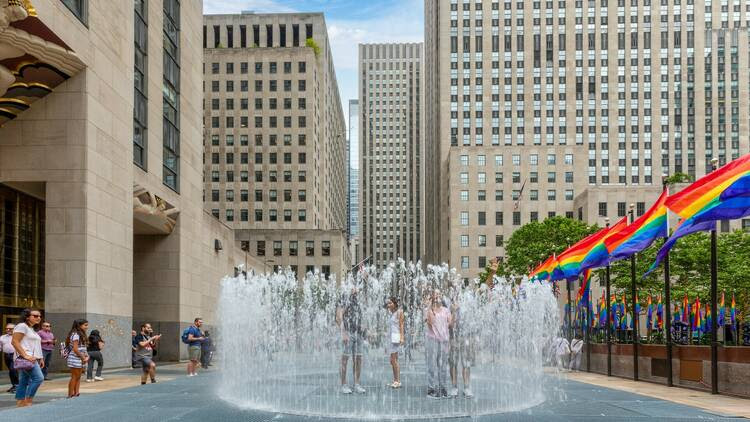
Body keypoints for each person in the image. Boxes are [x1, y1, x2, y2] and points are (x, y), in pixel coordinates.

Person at [11, 309, 44, 407]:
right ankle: (28, 400)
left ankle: (20, 402)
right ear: (27, 317)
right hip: (25, 358)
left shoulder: (31, 329)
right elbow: (14, 342)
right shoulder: (22, 326)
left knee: (24, 381)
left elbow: (35, 345)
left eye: (39, 316)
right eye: (35, 316)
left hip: (32, 358)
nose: (38, 318)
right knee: (39, 378)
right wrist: (25, 355)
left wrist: (41, 358)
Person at [337, 285, 366, 394]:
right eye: (354, 287)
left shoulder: (358, 301)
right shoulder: (344, 299)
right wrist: (343, 333)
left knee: (358, 359)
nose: (356, 289)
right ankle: (343, 384)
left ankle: (356, 384)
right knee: (345, 359)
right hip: (348, 333)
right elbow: (338, 317)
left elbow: (360, 316)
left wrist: (364, 326)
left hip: (359, 333)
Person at [425, 289, 451, 398]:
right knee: (432, 364)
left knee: (443, 365)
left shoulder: (446, 310)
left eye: (439, 294)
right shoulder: (429, 310)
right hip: (433, 339)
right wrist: (430, 308)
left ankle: (443, 388)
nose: (438, 296)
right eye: (435, 294)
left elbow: (450, 323)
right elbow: (430, 322)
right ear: (432, 297)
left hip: (444, 340)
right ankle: (431, 388)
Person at [448, 299, 475, 398]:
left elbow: (473, 324)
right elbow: (450, 324)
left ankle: (467, 387)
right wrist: (454, 311)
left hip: (466, 338)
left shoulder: (468, 306)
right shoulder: (450, 307)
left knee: (466, 363)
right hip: (453, 338)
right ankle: (454, 387)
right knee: (453, 363)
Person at [65, 319, 89, 398]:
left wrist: (86, 356)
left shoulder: (80, 334)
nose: (87, 327)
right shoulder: (76, 335)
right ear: (79, 325)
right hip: (74, 358)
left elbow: (82, 348)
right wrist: (83, 358)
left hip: (80, 358)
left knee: (78, 376)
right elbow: (75, 349)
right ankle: (70, 394)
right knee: (74, 377)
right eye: (85, 325)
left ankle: (76, 393)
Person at [385, 296, 404, 389]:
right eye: (388, 303)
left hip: (396, 336)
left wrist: (402, 337)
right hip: (391, 337)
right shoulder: (392, 313)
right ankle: (395, 380)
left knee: (394, 360)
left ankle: (397, 381)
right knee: (392, 360)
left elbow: (401, 325)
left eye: (390, 303)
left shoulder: (399, 312)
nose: (388, 305)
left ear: (394, 303)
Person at [1, 323, 18, 393]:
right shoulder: (2, 337)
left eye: (10, 329)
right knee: (11, 371)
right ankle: (14, 385)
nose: (8, 330)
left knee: (13, 370)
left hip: (15, 355)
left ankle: (17, 385)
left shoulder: (18, 337)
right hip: (6, 355)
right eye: (7, 328)